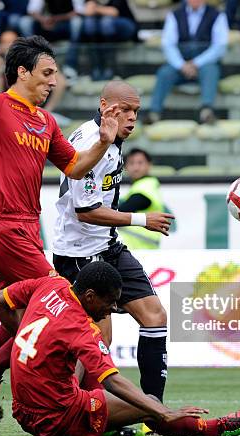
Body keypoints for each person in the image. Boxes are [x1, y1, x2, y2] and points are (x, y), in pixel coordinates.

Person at [0, 31, 121, 436]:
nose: (54, 81)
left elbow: (74, 168)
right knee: (62, 302)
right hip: (3, 227)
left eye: (56, 74)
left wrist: (104, 143)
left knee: (24, 321)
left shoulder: (46, 121)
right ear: (22, 71)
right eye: (48, 72)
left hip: (27, 230)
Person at [0, 261, 240, 436]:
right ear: (91, 296)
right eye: (110, 302)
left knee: (82, 364)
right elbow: (112, 380)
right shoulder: (81, 329)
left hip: (22, 409)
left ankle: (105, 430)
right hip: (54, 417)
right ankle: (213, 428)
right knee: (148, 402)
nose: (113, 309)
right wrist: (163, 411)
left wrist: (19, 332)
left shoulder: (51, 285)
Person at [50, 81, 173, 406]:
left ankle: (152, 410)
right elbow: (86, 210)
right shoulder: (93, 143)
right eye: (125, 110)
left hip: (108, 246)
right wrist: (142, 219)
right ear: (105, 106)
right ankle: (67, 409)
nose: (132, 118)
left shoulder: (112, 141)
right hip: (78, 255)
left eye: (136, 111)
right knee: (96, 339)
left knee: (154, 316)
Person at [144, 0, 229, 125]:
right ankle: (154, 113)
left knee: (211, 71)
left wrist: (196, 63)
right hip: (180, 64)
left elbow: (219, 47)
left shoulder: (218, 15)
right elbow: (168, 45)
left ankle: (207, 110)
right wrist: (182, 65)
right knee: (164, 73)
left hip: (205, 64)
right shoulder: (174, 15)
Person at [18, 0, 84, 80]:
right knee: (25, 22)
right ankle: (32, 62)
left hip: (64, 22)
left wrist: (55, 19)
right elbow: (32, 10)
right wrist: (43, 20)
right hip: (45, 23)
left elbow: (78, 11)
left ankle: (70, 66)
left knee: (77, 22)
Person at [118, 148, 166, 250]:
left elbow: (121, 212)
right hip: (142, 248)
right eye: (131, 163)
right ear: (125, 167)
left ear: (149, 165)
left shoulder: (146, 185)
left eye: (140, 163)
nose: (136, 167)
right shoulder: (142, 185)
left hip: (140, 250)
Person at [82, 0, 137, 81]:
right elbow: (88, 12)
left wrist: (96, 8)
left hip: (124, 24)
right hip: (99, 29)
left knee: (106, 22)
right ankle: (96, 68)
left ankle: (110, 67)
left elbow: (114, 12)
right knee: (89, 23)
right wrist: (102, 10)